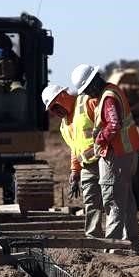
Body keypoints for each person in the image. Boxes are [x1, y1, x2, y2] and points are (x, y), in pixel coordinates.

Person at [70, 65, 139, 254]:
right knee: (125, 200)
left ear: (94, 82)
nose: (87, 93)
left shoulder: (108, 97)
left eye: (87, 89)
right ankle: (134, 245)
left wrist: (99, 139)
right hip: (125, 154)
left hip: (116, 155)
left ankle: (113, 250)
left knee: (113, 202)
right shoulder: (111, 91)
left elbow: (114, 124)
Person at [41, 84, 103, 238]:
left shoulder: (87, 102)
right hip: (87, 166)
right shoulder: (64, 126)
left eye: (55, 106)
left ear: (63, 96)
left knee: (112, 200)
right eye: (52, 110)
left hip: (105, 160)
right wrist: (75, 172)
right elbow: (75, 149)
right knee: (91, 202)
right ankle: (94, 238)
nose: (55, 112)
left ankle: (121, 239)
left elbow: (107, 126)